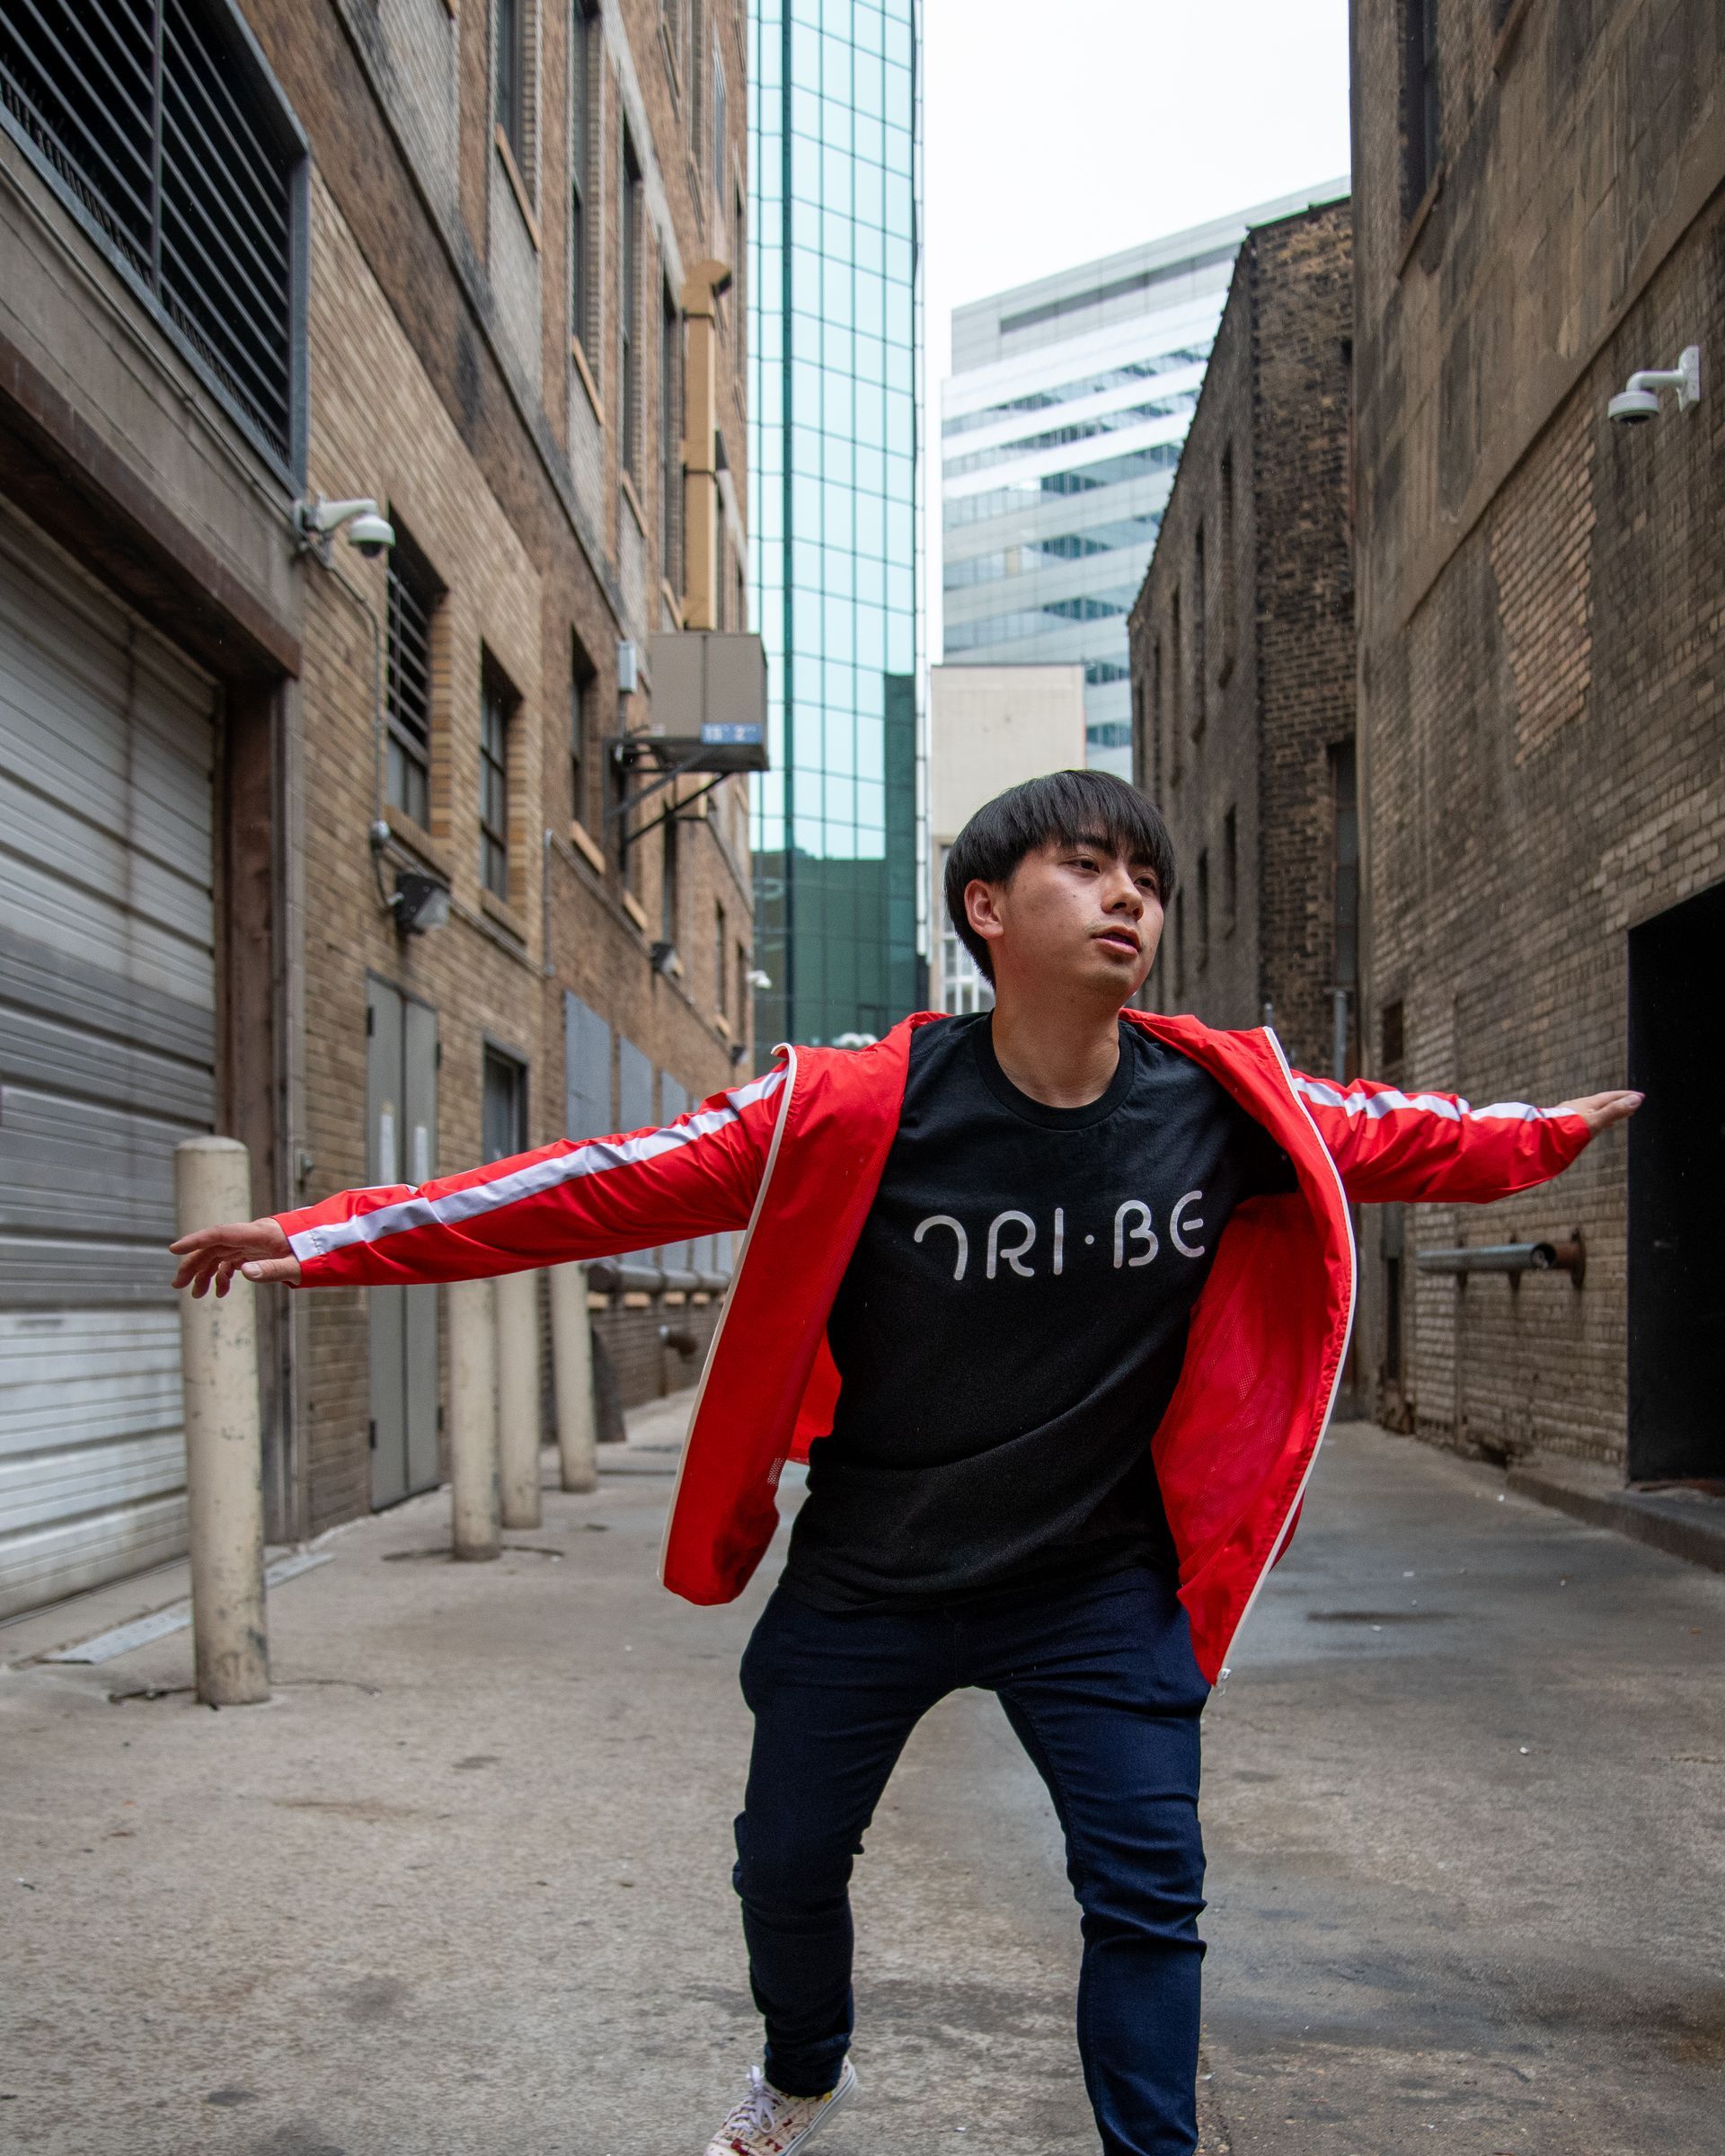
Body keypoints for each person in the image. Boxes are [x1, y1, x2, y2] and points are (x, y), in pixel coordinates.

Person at [172, 772, 1640, 2156]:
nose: (1129, 897)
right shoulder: (854, 1108)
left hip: (1095, 1585)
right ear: (987, 910)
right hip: (875, 1578)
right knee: (786, 1871)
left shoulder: (1222, 1105)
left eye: (1149, 877)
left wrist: (1543, 1138)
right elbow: (600, 1187)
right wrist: (325, 1234)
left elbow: (1405, 1136)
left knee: (1148, 1901)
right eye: (1086, 867)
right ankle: (804, 2070)